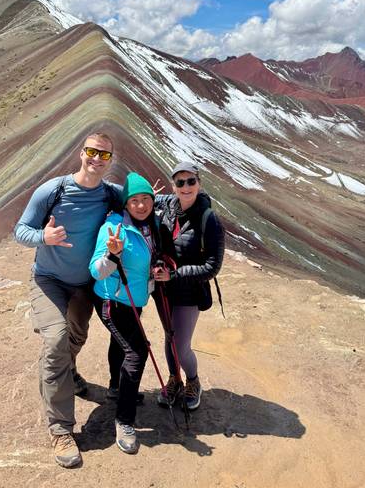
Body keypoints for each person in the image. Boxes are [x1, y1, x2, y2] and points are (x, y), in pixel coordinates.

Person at [14, 132, 122, 468]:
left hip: (83, 284)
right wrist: (43, 236)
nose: (96, 159)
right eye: (92, 152)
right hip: (48, 280)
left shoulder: (110, 194)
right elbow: (20, 230)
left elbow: (140, 202)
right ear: (81, 153)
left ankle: (64, 369)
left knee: (77, 336)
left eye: (104, 155)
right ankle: (61, 429)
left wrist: (161, 200)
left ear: (110, 161)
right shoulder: (53, 190)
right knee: (58, 338)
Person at [89, 172, 166, 454]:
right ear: (126, 204)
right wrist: (112, 255)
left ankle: (114, 387)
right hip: (112, 300)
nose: (141, 205)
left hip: (135, 300)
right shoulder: (113, 227)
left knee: (119, 345)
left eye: (146, 199)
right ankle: (124, 421)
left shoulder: (153, 224)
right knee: (137, 353)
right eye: (135, 200)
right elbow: (95, 271)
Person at [153, 161, 225, 411]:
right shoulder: (168, 205)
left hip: (189, 291)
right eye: (180, 182)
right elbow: (146, 199)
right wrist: (148, 196)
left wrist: (174, 275)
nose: (186, 187)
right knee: (169, 336)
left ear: (199, 183)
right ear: (173, 186)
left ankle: (193, 382)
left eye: (191, 181)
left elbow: (212, 266)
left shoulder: (209, 219)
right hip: (163, 290)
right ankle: (174, 379)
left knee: (181, 344)